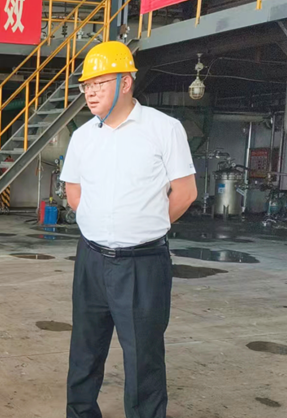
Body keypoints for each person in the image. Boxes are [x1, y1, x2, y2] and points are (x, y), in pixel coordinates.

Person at [60, 41, 197, 418]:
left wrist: (142, 224)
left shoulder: (163, 129)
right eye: (86, 85)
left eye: (99, 83)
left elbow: (185, 192)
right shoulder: (83, 136)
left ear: (125, 82)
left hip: (142, 264)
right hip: (91, 260)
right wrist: (102, 222)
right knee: (84, 351)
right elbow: (74, 192)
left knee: (143, 358)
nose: (90, 92)